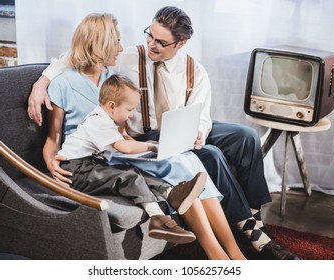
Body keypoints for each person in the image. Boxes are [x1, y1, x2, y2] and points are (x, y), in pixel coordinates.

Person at [27, 7, 300, 260]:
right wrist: (43, 82)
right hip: (104, 154)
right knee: (201, 160)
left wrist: (195, 134)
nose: (147, 45)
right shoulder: (113, 65)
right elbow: (60, 123)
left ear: (180, 44)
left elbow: (189, 117)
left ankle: (239, 240)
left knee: (238, 139)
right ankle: (223, 252)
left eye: (160, 42)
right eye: (150, 36)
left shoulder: (115, 77)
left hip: (141, 138)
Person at [58, 73, 246, 260]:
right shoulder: (98, 121)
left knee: (136, 174)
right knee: (128, 177)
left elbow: (123, 140)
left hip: (92, 164)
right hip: (76, 169)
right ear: (112, 106)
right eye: (129, 110)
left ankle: (173, 193)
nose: (131, 114)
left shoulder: (107, 118)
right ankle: (158, 217)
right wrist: (152, 146)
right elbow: (125, 147)